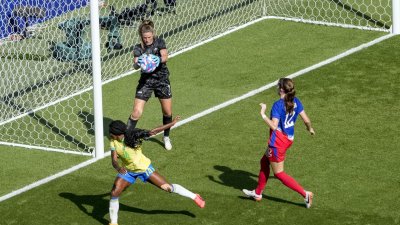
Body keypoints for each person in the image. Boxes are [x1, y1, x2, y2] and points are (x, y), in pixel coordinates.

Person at [108, 116, 205, 225]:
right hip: (128, 172)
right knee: (114, 192)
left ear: (118, 133)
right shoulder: (113, 141)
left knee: (168, 188)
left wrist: (172, 123)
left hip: (145, 169)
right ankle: (113, 222)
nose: (110, 135)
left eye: (111, 133)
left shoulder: (133, 136)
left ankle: (194, 196)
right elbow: (114, 160)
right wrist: (118, 167)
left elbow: (154, 131)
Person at [242, 78, 315, 208]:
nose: (276, 88)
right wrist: (310, 128)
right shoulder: (296, 101)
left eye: (278, 86)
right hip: (288, 139)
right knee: (264, 161)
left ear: (282, 89)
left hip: (278, 143)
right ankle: (258, 193)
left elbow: (274, 126)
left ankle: (305, 194)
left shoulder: (277, 105)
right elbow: (306, 119)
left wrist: (263, 114)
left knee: (279, 173)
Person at [128, 19, 174, 150]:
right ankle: (128, 138)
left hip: (162, 80)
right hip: (146, 82)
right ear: (141, 37)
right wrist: (138, 63)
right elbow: (135, 64)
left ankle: (166, 137)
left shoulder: (159, 42)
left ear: (153, 35)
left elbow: (165, 56)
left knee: (167, 112)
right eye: (145, 38)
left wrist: (158, 59)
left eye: (149, 37)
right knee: (136, 112)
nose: (147, 40)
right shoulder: (138, 48)